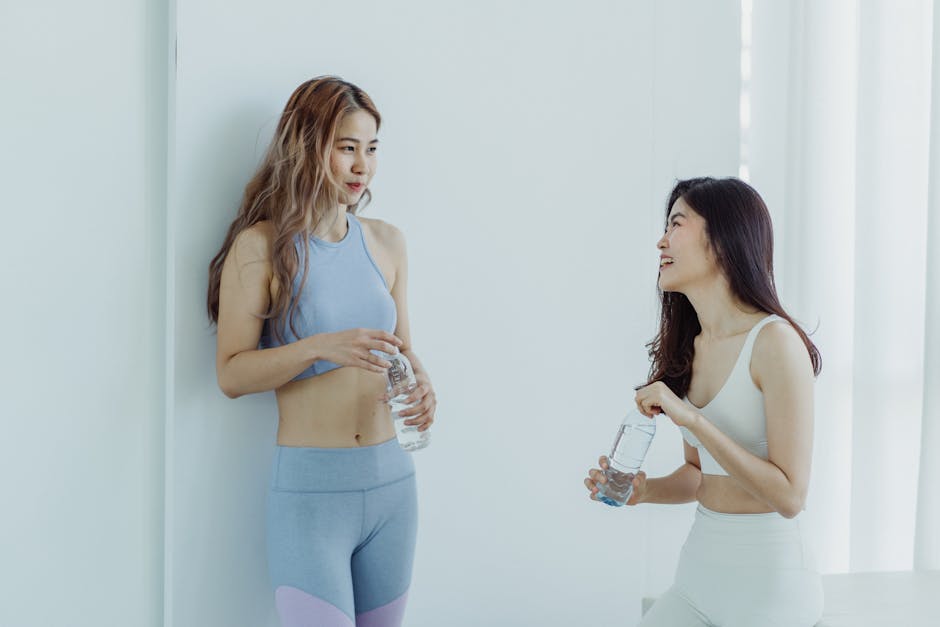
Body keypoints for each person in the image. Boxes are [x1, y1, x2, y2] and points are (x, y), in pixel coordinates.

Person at [206, 76, 436, 627]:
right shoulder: (260, 247)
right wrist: (321, 347)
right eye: (347, 147)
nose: (363, 166)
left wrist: (425, 386)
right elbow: (232, 374)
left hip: (392, 486)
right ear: (309, 147)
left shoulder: (387, 241)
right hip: (311, 496)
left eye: (372, 149)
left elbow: (405, 348)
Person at [585, 177, 823, 626]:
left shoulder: (774, 342)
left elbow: (791, 495)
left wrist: (692, 420)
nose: (661, 241)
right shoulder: (692, 348)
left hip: (769, 588)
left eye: (676, 224)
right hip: (698, 578)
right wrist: (644, 491)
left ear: (722, 239)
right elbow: (700, 474)